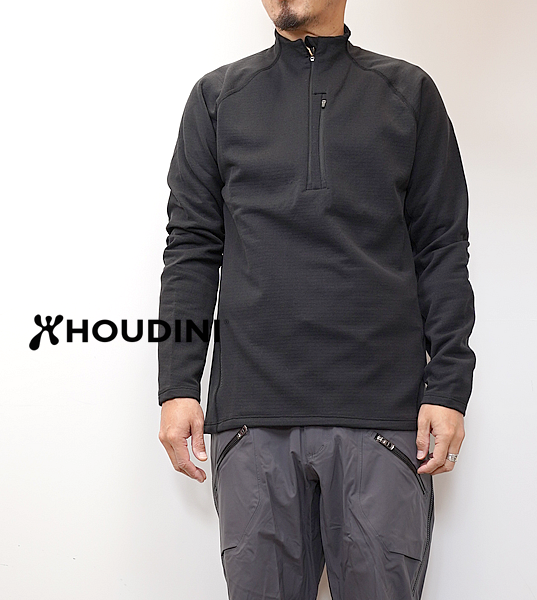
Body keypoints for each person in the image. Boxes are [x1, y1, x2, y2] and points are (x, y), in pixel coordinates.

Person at [157, 0, 476, 598]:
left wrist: (449, 387)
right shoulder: (217, 98)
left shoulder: (407, 93)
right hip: (252, 420)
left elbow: (441, 246)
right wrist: (177, 385)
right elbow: (190, 249)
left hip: (382, 417)